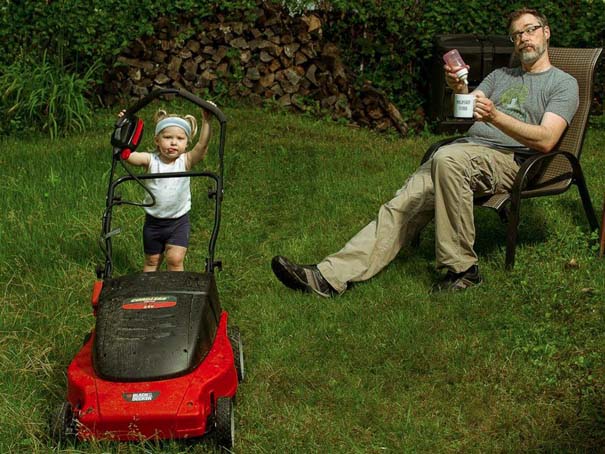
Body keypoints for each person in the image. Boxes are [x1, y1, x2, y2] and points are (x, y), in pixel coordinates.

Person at [271, 7, 579, 296]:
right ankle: (329, 277)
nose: (524, 38)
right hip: (466, 153)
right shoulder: (500, 76)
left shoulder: (562, 84)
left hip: (509, 160)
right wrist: (458, 88)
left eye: (530, 30)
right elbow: (465, 110)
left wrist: (496, 116)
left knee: (446, 158)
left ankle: (462, 270)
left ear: (546, 33)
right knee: (402, 204)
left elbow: (546, 140)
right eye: (517, 34)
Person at [121, 107, 213, 272]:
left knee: (175, 259)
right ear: (157, 140)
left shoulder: (185, 161)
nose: (173, 142)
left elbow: (202, 145)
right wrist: (123, 128)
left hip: (178, 221)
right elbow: (129, 156)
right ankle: (148, 293)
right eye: (168, 137)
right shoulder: (150, 160)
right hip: (153, 223)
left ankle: (176, 291)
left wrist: (207, 121)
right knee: (152, 261)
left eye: (179, 138)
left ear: (186, 142)